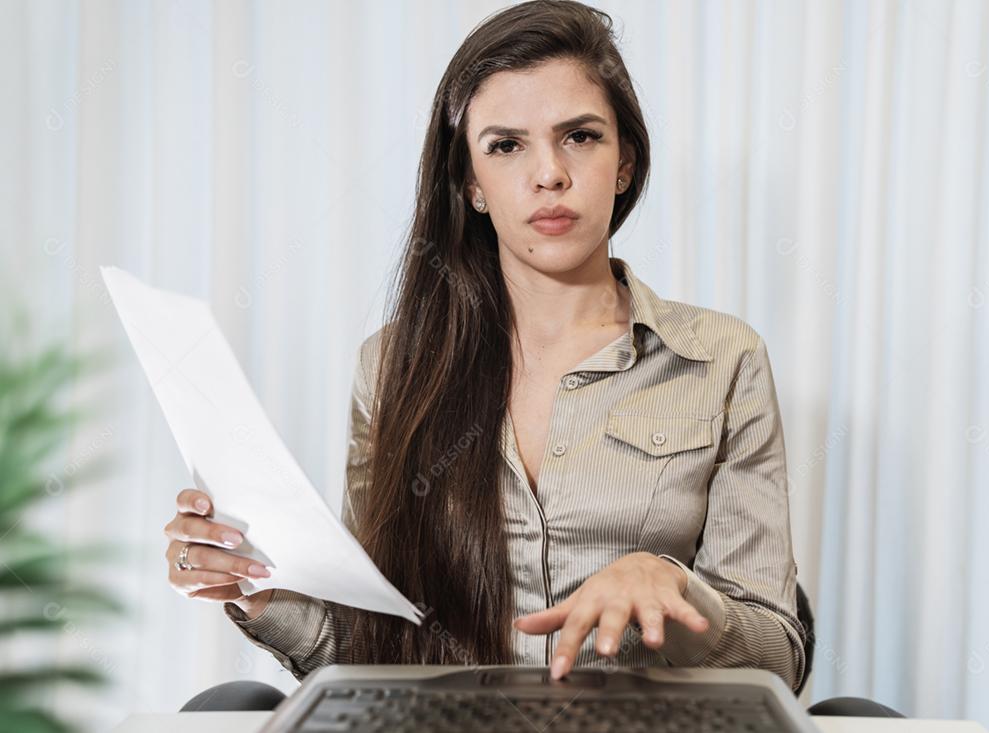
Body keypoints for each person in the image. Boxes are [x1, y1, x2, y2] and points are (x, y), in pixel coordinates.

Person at [163, 0, 806, 692]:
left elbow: (778, 657)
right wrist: (255, 586)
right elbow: (371, 647)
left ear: (624, 161)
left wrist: (673, 588)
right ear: (470, 182)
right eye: (506, 145)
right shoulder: (394, 365)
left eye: (581, 137)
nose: (549, 174)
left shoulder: (722, 360)